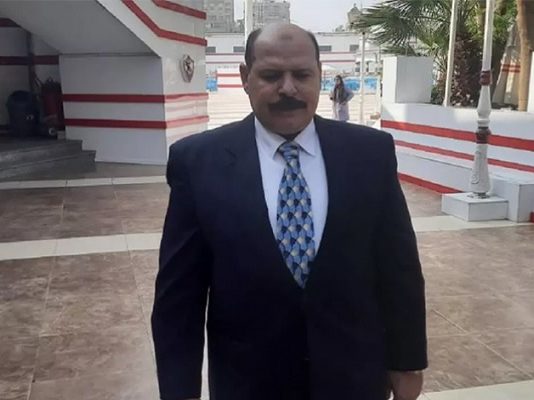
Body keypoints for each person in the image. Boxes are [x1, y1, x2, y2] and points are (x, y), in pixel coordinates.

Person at [152, 23, 427, 400]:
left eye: (301, 75)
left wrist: (407, 361)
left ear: (319, 76)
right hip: (248, 383)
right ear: (245, 77)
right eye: (271, 75)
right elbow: (179, 296)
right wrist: (178, 390)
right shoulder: (198, 162)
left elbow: (399, 269)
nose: (288, 89)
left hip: (353, 378)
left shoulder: (370, 153)